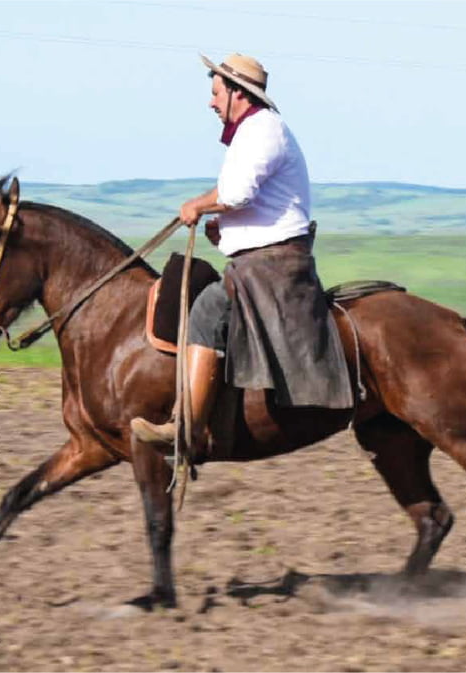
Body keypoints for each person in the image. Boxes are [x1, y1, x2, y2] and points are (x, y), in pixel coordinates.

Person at [130, 53, 351, 460]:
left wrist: (199, 205)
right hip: (261, 259)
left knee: (207, 311)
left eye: (216, 93)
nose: (211, 103)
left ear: (237, 93)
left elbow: (236, 193)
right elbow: (249, 202)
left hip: (273, 266)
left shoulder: (262, 129)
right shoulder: (256, 132)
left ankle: (187, 430)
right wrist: (225, 229)